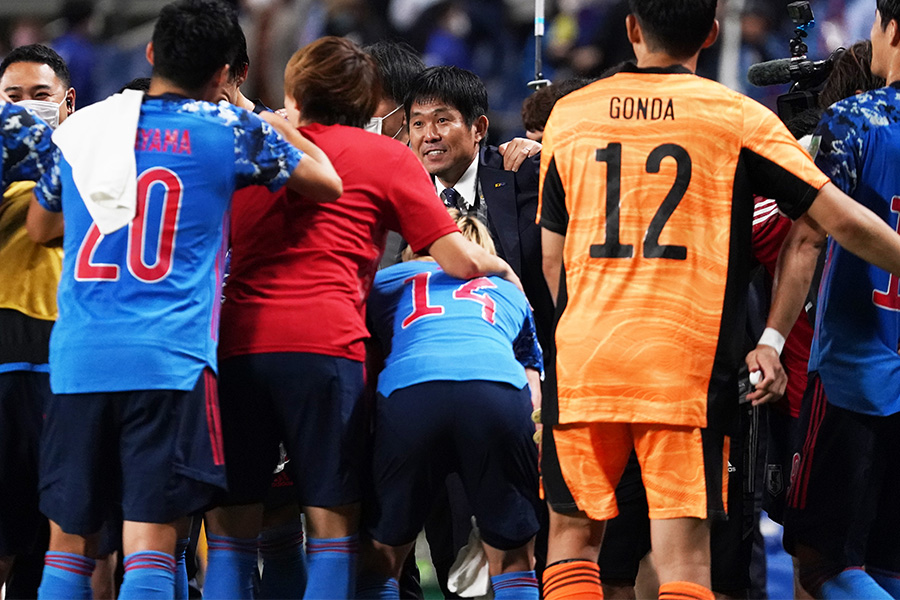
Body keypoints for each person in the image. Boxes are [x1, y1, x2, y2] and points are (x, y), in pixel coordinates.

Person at [539, 1, 900, 599]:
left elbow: (553, 258)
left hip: (586, 360)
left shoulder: (568, 116)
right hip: (685, 367)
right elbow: (837, 221)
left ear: (631, 28)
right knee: (682, 559)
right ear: (711, 32)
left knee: (574, 543)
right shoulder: (736, 116)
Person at [24, 1, 342, 598]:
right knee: (151, 542)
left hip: (79, 359)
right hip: (168, 363)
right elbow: (327, 183)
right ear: (224, 74)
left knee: (68, 546)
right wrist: (269, 120)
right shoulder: (230, 131)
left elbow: (41, 227)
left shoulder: (84, 129)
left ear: (150, 55)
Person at [204, 35, 519, 600]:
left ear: (296, 94)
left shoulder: (242, 146)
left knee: (232, 533)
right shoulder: (387, 156)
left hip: (239, 346)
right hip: (328, 349)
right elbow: (455, 258)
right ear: (371, 101)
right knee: (331, 531)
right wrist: (498, 267)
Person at [752, 2, 900, 598]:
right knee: (889, 559)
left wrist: (771, 338)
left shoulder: (858, 118)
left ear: (893, 28)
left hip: (853, 377)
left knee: (819, 562)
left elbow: (808, 236)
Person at [358, 210, 543, 600]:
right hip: (497, 392)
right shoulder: (510, 291)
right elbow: (532, 385)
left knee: (381, 558)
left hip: (412, 393)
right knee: (513, 560)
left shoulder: (385, 282)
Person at [0, 72, 56, 594]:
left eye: (39, 96)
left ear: (67, 99)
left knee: (55, 543)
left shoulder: (87, 161)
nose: (24, 109)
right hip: (9, 351)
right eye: (12, 97)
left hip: (65, 362)